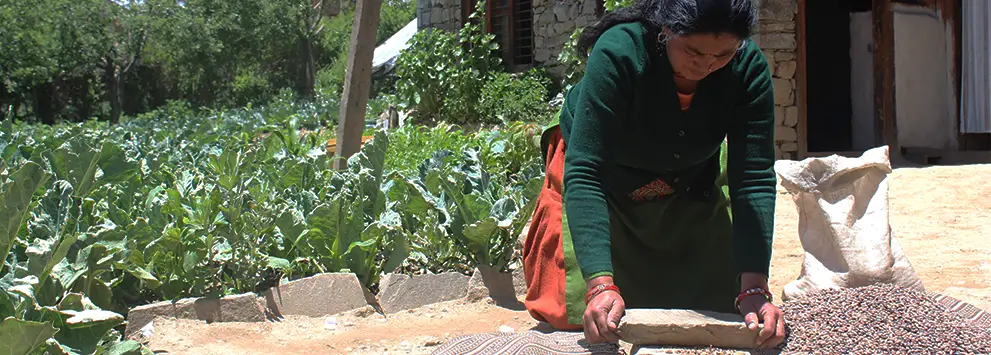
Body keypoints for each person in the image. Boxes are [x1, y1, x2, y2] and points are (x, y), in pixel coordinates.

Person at [521, 0, 787, 349]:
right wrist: (599, 285)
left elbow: (752, 178)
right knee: (576, 314)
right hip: (601, 167)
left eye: (723, 55)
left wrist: (754, 285)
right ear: (665, 30)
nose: (706, 66)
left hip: (684, 174)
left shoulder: (748, 67)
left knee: (716, 306)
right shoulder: (621, 51)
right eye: (693, 50)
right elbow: (586, 172)